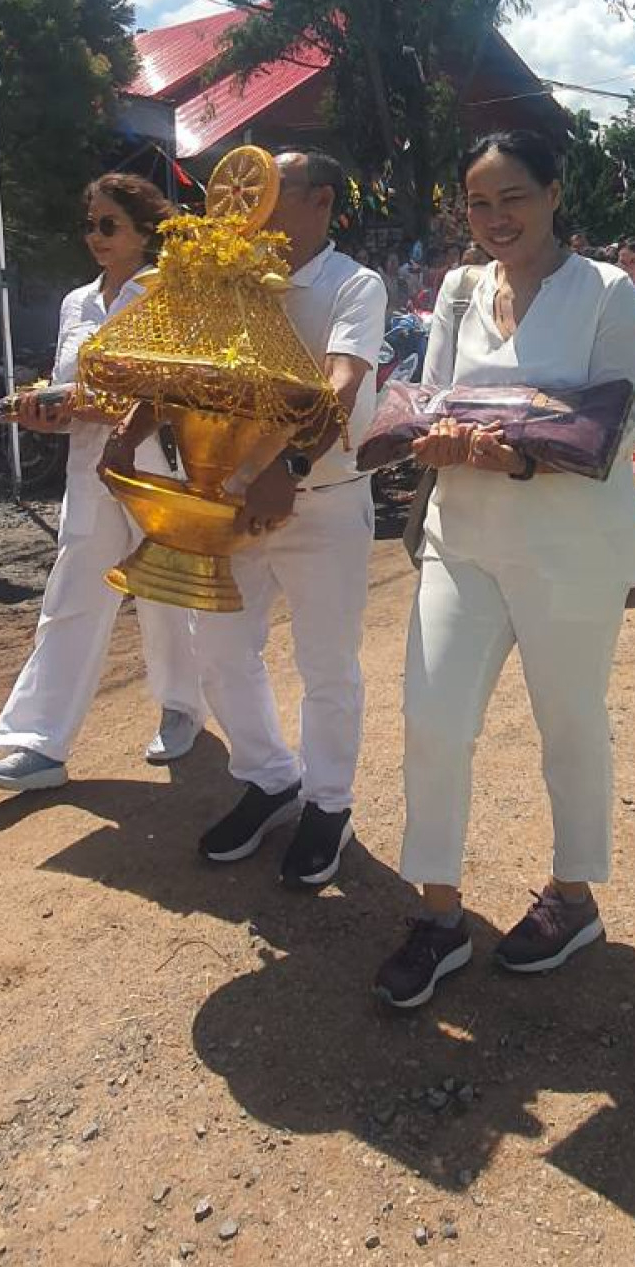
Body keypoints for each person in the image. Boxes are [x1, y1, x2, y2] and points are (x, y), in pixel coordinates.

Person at [372, 131, 635, 1009]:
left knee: (567, 721)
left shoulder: (606, 292)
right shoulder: (459, 288)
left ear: (554, 194)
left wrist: (522, 460)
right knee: (432, 718)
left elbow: (628, 421)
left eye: (515, 198)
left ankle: (573, 897)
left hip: (570, 550)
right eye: (480, 202)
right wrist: (436, 439)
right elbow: (436, 393)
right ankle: (438, 913)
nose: (496, 219)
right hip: (464, 537)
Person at [193, 151, 387, 887]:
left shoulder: (353, 284)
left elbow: (339, 386)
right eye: (247, 189)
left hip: (323, 501)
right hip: (238, 498)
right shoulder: (232, 278)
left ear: (320, 201)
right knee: (214, 646)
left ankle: (328, 803)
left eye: (273, 191)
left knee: (326, 664)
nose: (252, 205)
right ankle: (272, 775)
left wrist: (291, 468)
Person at [0, 173, 204, 793]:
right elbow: (65, 387)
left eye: (110, 225)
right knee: (72, 595)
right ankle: (37, 742)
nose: (96, 236)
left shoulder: (168, 293)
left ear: (142, 232)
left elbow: (173, 390)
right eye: (90, 224)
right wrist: (42, 412)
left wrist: (92, 405)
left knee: (163, 594)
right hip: (89, 469)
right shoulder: (76, 303)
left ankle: (182, 705)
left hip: (155, 464)